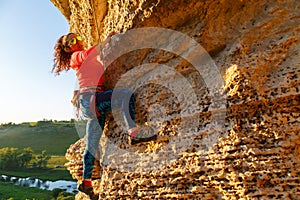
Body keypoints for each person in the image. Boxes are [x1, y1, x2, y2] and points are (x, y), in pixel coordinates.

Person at [52, 32, 157, 198]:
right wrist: (107, 40)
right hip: (91, 98)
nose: (78, 41)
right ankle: (134, 132)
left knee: (91, 144)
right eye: (72, 40)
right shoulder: (76, 57)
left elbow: (95, 60)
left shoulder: (87, 60)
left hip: (92, 100)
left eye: (78, 38)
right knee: (124, 95)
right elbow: (88, 53)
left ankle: (86, 183)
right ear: (67, 48)